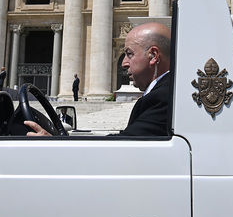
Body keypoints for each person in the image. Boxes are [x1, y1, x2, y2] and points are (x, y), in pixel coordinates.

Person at [27, 22, 172, 137]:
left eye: (129, 54)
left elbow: (127, 144)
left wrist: (55, 145)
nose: (123, 63)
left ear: (153, 56)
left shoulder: (163, 97)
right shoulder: (163, 93)